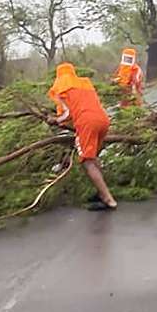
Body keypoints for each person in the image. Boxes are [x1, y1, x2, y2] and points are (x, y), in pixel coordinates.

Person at [48, 63, 117, 211]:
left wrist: (55, 120)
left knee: (87, 161)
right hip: (103, 119)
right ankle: (101, 193)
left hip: (87, 122)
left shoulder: (62, 87)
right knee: (93, 158)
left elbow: (67, 114)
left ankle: (108, 199)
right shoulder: (84, 84)